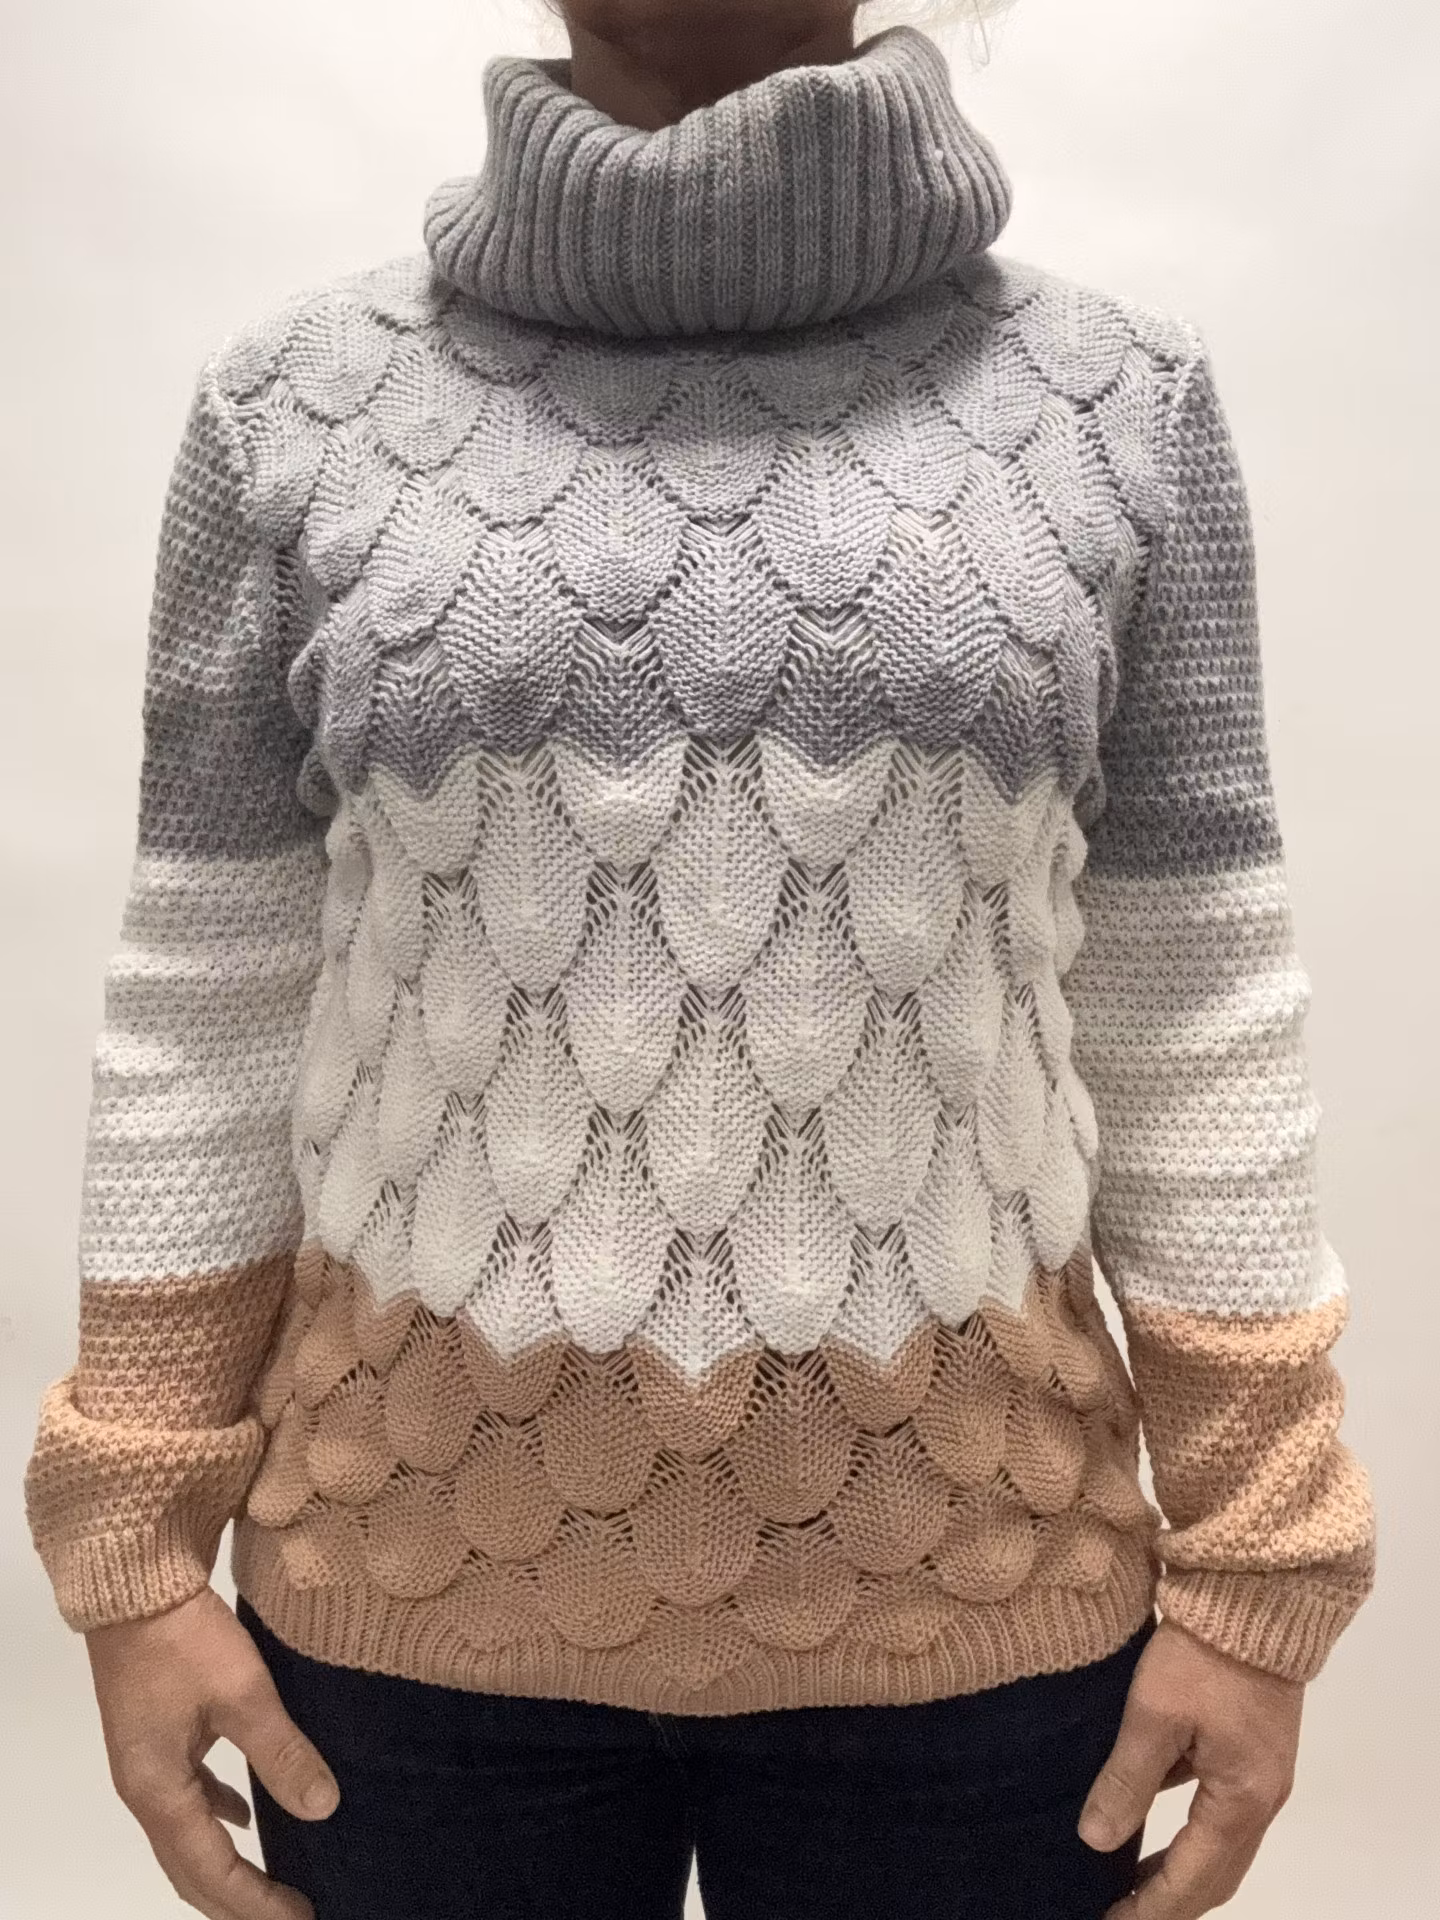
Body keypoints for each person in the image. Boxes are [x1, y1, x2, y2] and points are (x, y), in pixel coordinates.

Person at [22, 2, 1376, 1917]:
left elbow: (1195, 1011)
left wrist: (1261, 1564)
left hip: (979, 1622)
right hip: (405, 1627)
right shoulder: (291, 414)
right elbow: (207, 1007)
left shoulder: (1119, 410)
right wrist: (135, 1547)